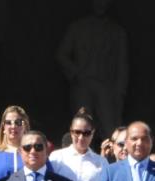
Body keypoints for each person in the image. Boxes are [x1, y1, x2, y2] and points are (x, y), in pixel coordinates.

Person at [55, 0, 128, 138]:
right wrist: (76, 74)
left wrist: (120, 91)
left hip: (106, 86)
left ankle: (112, 158)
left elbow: (122, 64)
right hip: (82, 85)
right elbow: (61, 55)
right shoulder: (77, 27)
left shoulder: (117, 31)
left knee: (110, 129)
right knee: (81, 127)